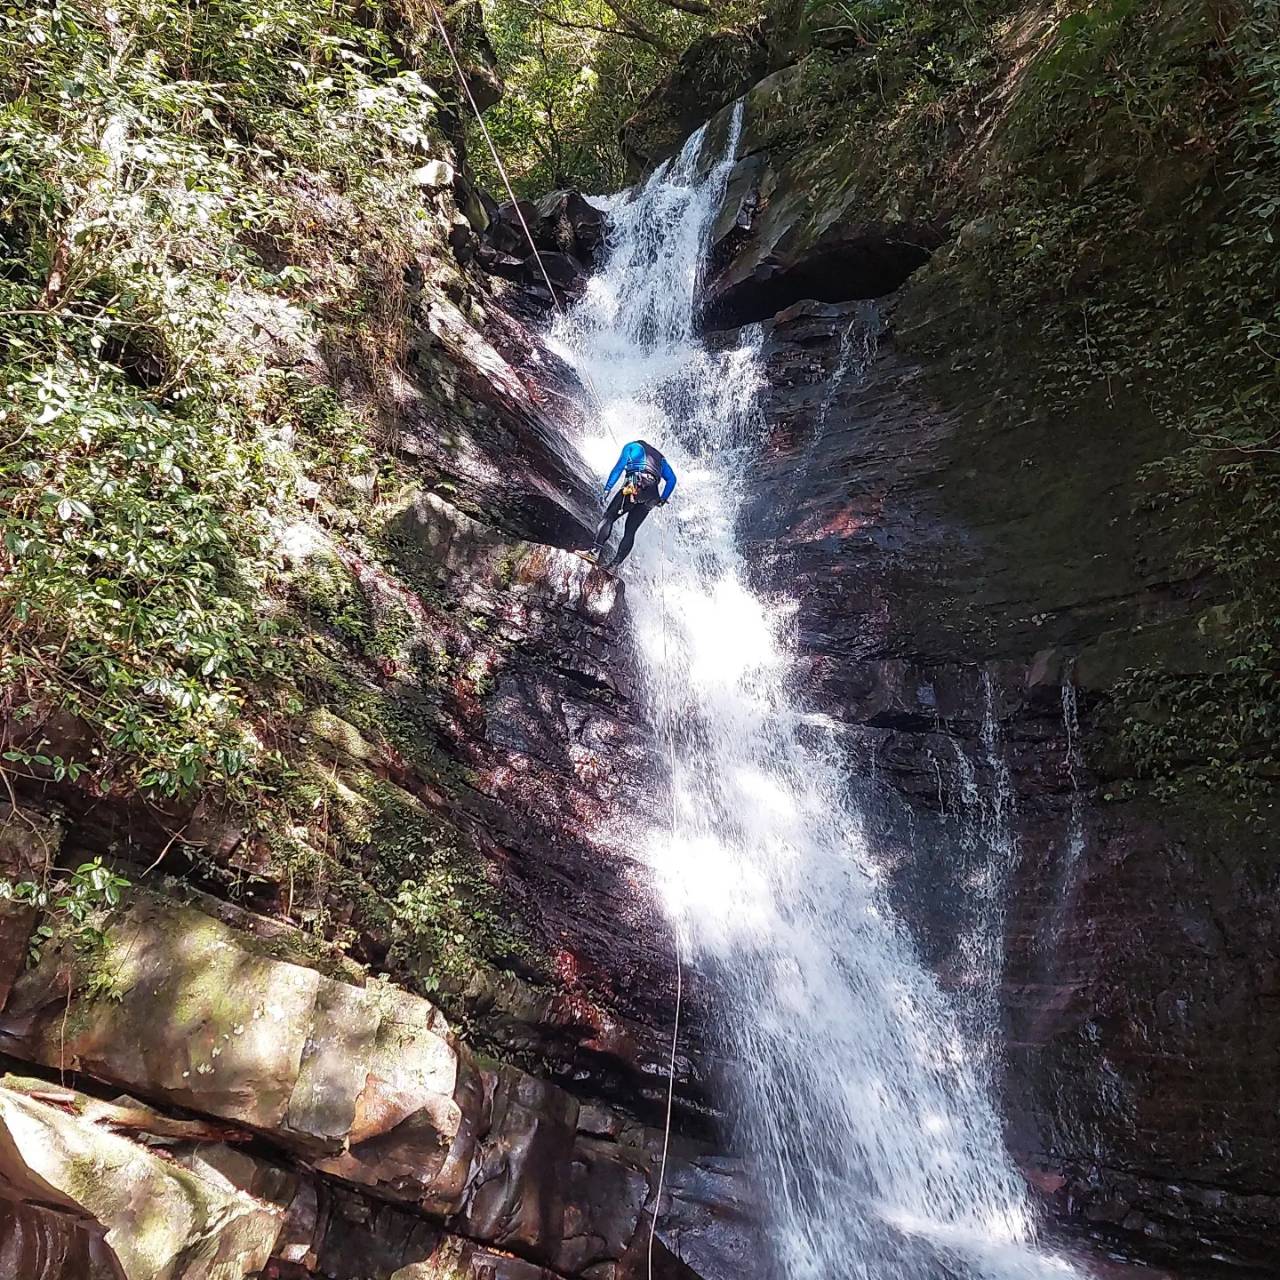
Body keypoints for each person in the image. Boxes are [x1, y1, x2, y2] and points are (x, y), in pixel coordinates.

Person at [593, 439, 677, 567]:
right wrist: (663, 499)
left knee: (609, 517)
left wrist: (607, 489)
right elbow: (672, 479)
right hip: (652, 495)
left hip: (634, 485)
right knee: (630, 531)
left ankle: (594, 552)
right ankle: (614, 566)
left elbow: (619, 468)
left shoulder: (631, 447)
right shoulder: (661, 459)